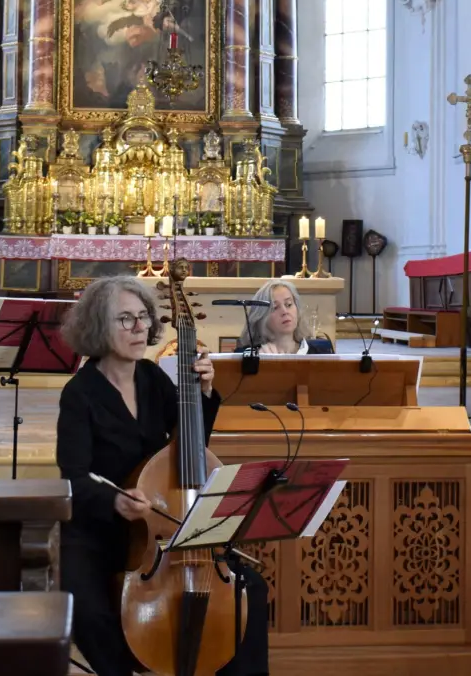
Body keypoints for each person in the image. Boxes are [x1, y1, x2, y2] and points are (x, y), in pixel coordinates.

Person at [56, 275, 269, 676]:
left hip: (165, 527)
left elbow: (189, 447)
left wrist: (202, 395)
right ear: (99, 326)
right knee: (82, 603)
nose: (140, 328)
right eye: (125, 319)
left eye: (143, 318)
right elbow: (74, 478)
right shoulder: (80, 393)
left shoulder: (153, 379)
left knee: (249, 589)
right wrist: (116, 500)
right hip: (102, 530)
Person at [236, 279, 335, 354]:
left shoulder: (321, 352)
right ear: (262, 316)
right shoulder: (247, 356)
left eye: (289, 304)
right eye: (275, 307)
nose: (285, 312)